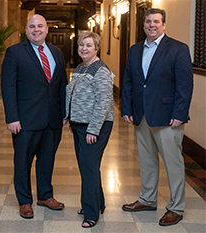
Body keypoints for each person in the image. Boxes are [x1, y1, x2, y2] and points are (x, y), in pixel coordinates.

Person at [121, 8, 193, 226]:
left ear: (164, 24)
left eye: (156, 22)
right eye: (148, 22)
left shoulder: (178, 49)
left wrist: (179, 113)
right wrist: (127, 108)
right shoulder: (134, 50)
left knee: (173, 164)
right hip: (142, 115)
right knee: (147, 160)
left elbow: (185, 85)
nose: (152, 25)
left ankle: (176, 207)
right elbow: (129, 82)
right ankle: (147, 199)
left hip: (168, 117)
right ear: (143, 25)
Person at [1, 14, 68, 219]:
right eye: (32, 26)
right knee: (23, 161)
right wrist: (12, 117)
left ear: (47, 29)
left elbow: (62, 84)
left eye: (40, 26)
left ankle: (45, 195)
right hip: (26, 119)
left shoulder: (56, 52)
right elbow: (8, 87)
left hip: (53, 118)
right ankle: (24, 200)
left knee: (47, 159)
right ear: (26, 29)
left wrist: (65, 112)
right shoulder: (14, 53)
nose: (36, 30)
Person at [65, 32, 114, 228]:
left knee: (88, 168)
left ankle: (91, 213)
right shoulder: (80, 67)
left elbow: (104, 102)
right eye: (81, 45)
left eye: (88, 45)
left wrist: (93, 130)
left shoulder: (100, 70)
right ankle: (98, 203)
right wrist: (67, 115)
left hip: (94, 127)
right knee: (89, 167)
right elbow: (72, 93)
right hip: (79, 125)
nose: (83, 48)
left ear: (97, 49)